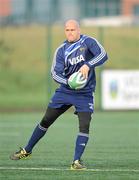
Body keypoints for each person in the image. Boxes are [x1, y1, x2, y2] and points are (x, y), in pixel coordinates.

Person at [10, 19, 108, 170]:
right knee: (46, 121)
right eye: (67, 30)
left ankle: (76, 162)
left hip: (85, 93)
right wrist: (69, 82)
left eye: (73, 30)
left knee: (84, 125)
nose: (70, 32)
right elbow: (55, 74)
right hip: (65, 91)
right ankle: (27, 150)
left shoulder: (88, 42)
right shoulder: (61, 50)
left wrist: (88, 65)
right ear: (65, 31)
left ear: (79, 30)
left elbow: (103, 55)